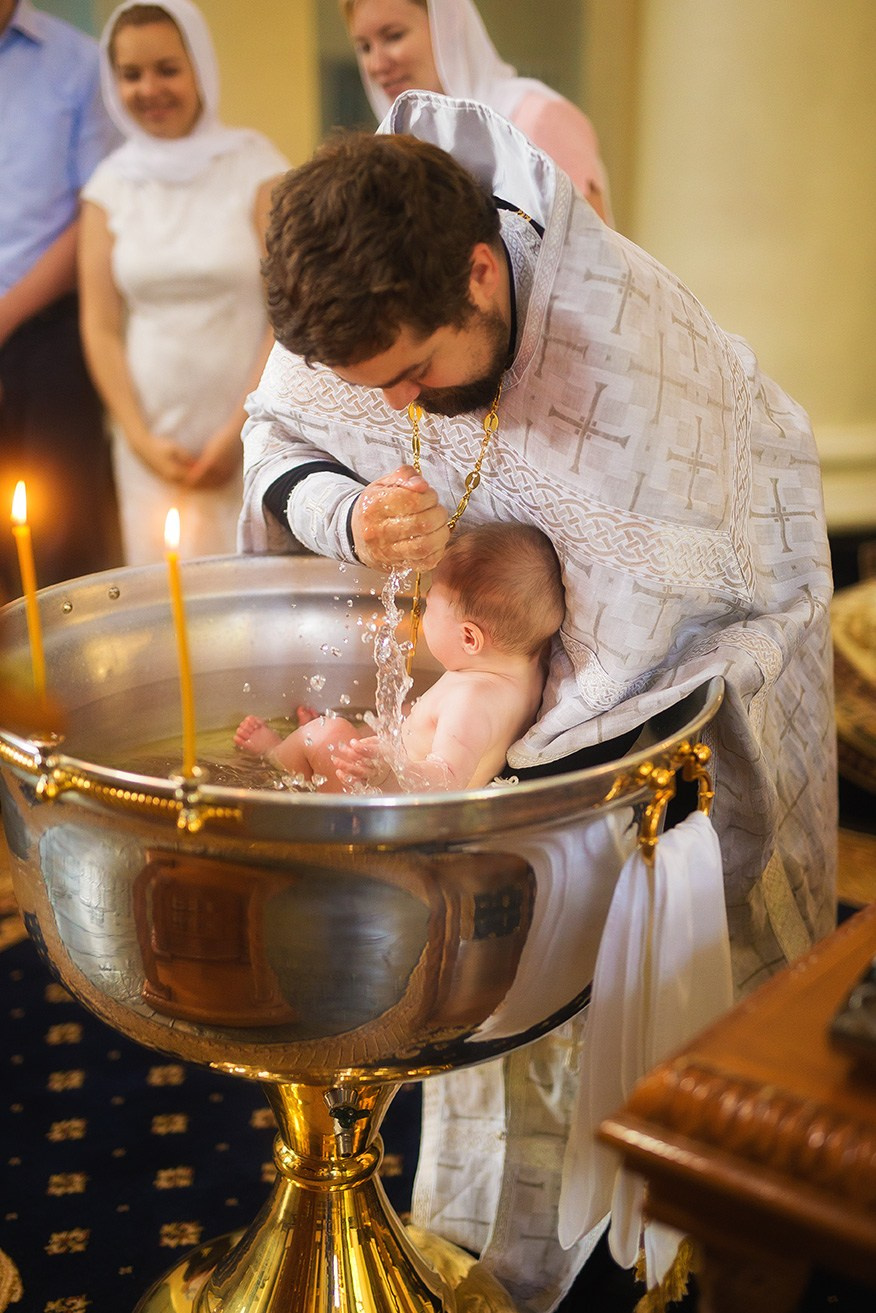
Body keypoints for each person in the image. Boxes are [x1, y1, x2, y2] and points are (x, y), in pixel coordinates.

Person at [238, 94, 836, 1309]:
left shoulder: (634, 350)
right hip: (501, 663)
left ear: (478, 274)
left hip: (699, 671)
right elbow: (278, 438)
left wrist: (472, 743)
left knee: (681, 1035)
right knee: (497, 988)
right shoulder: (354, 295)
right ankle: (503, 1234)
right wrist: (349, 515)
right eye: (372, 387)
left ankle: (698, 1247)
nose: (398, 408)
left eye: (414, 373)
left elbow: (662, 612)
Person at [78, 0, 288, 566]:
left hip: (253, 430)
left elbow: (289, 310)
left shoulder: (256, 165)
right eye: (131, 74)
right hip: (150, 445)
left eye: (167, 69)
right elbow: (100, 326)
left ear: (200, 67)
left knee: (252, 593)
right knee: (161, 595)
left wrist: (242, 424)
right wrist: (139, 439)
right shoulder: (108, 186)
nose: (150, 89)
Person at [235, 521, 565, 793]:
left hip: (380, 811)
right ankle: (329, 756)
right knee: (368, 734)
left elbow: (447, 779)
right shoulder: (525, 669)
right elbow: (425, 724)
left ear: (469, 638)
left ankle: (276, 756)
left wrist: (387, 771)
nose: (419, 610)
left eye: (429, 604)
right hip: (394, 791)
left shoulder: (471, 701)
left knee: (325, 732)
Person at [0, 0, 121, 594]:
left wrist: (5, 314)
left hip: (49, 333)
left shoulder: (77, 62)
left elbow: (94, 213)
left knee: (59, 541)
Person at [342, 0, 613, 224]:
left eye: (393, 36)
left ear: (448, 27)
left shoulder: (539, 117)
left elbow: (592, 261)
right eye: (364, 47)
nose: (376, 65)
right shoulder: (397, 150)